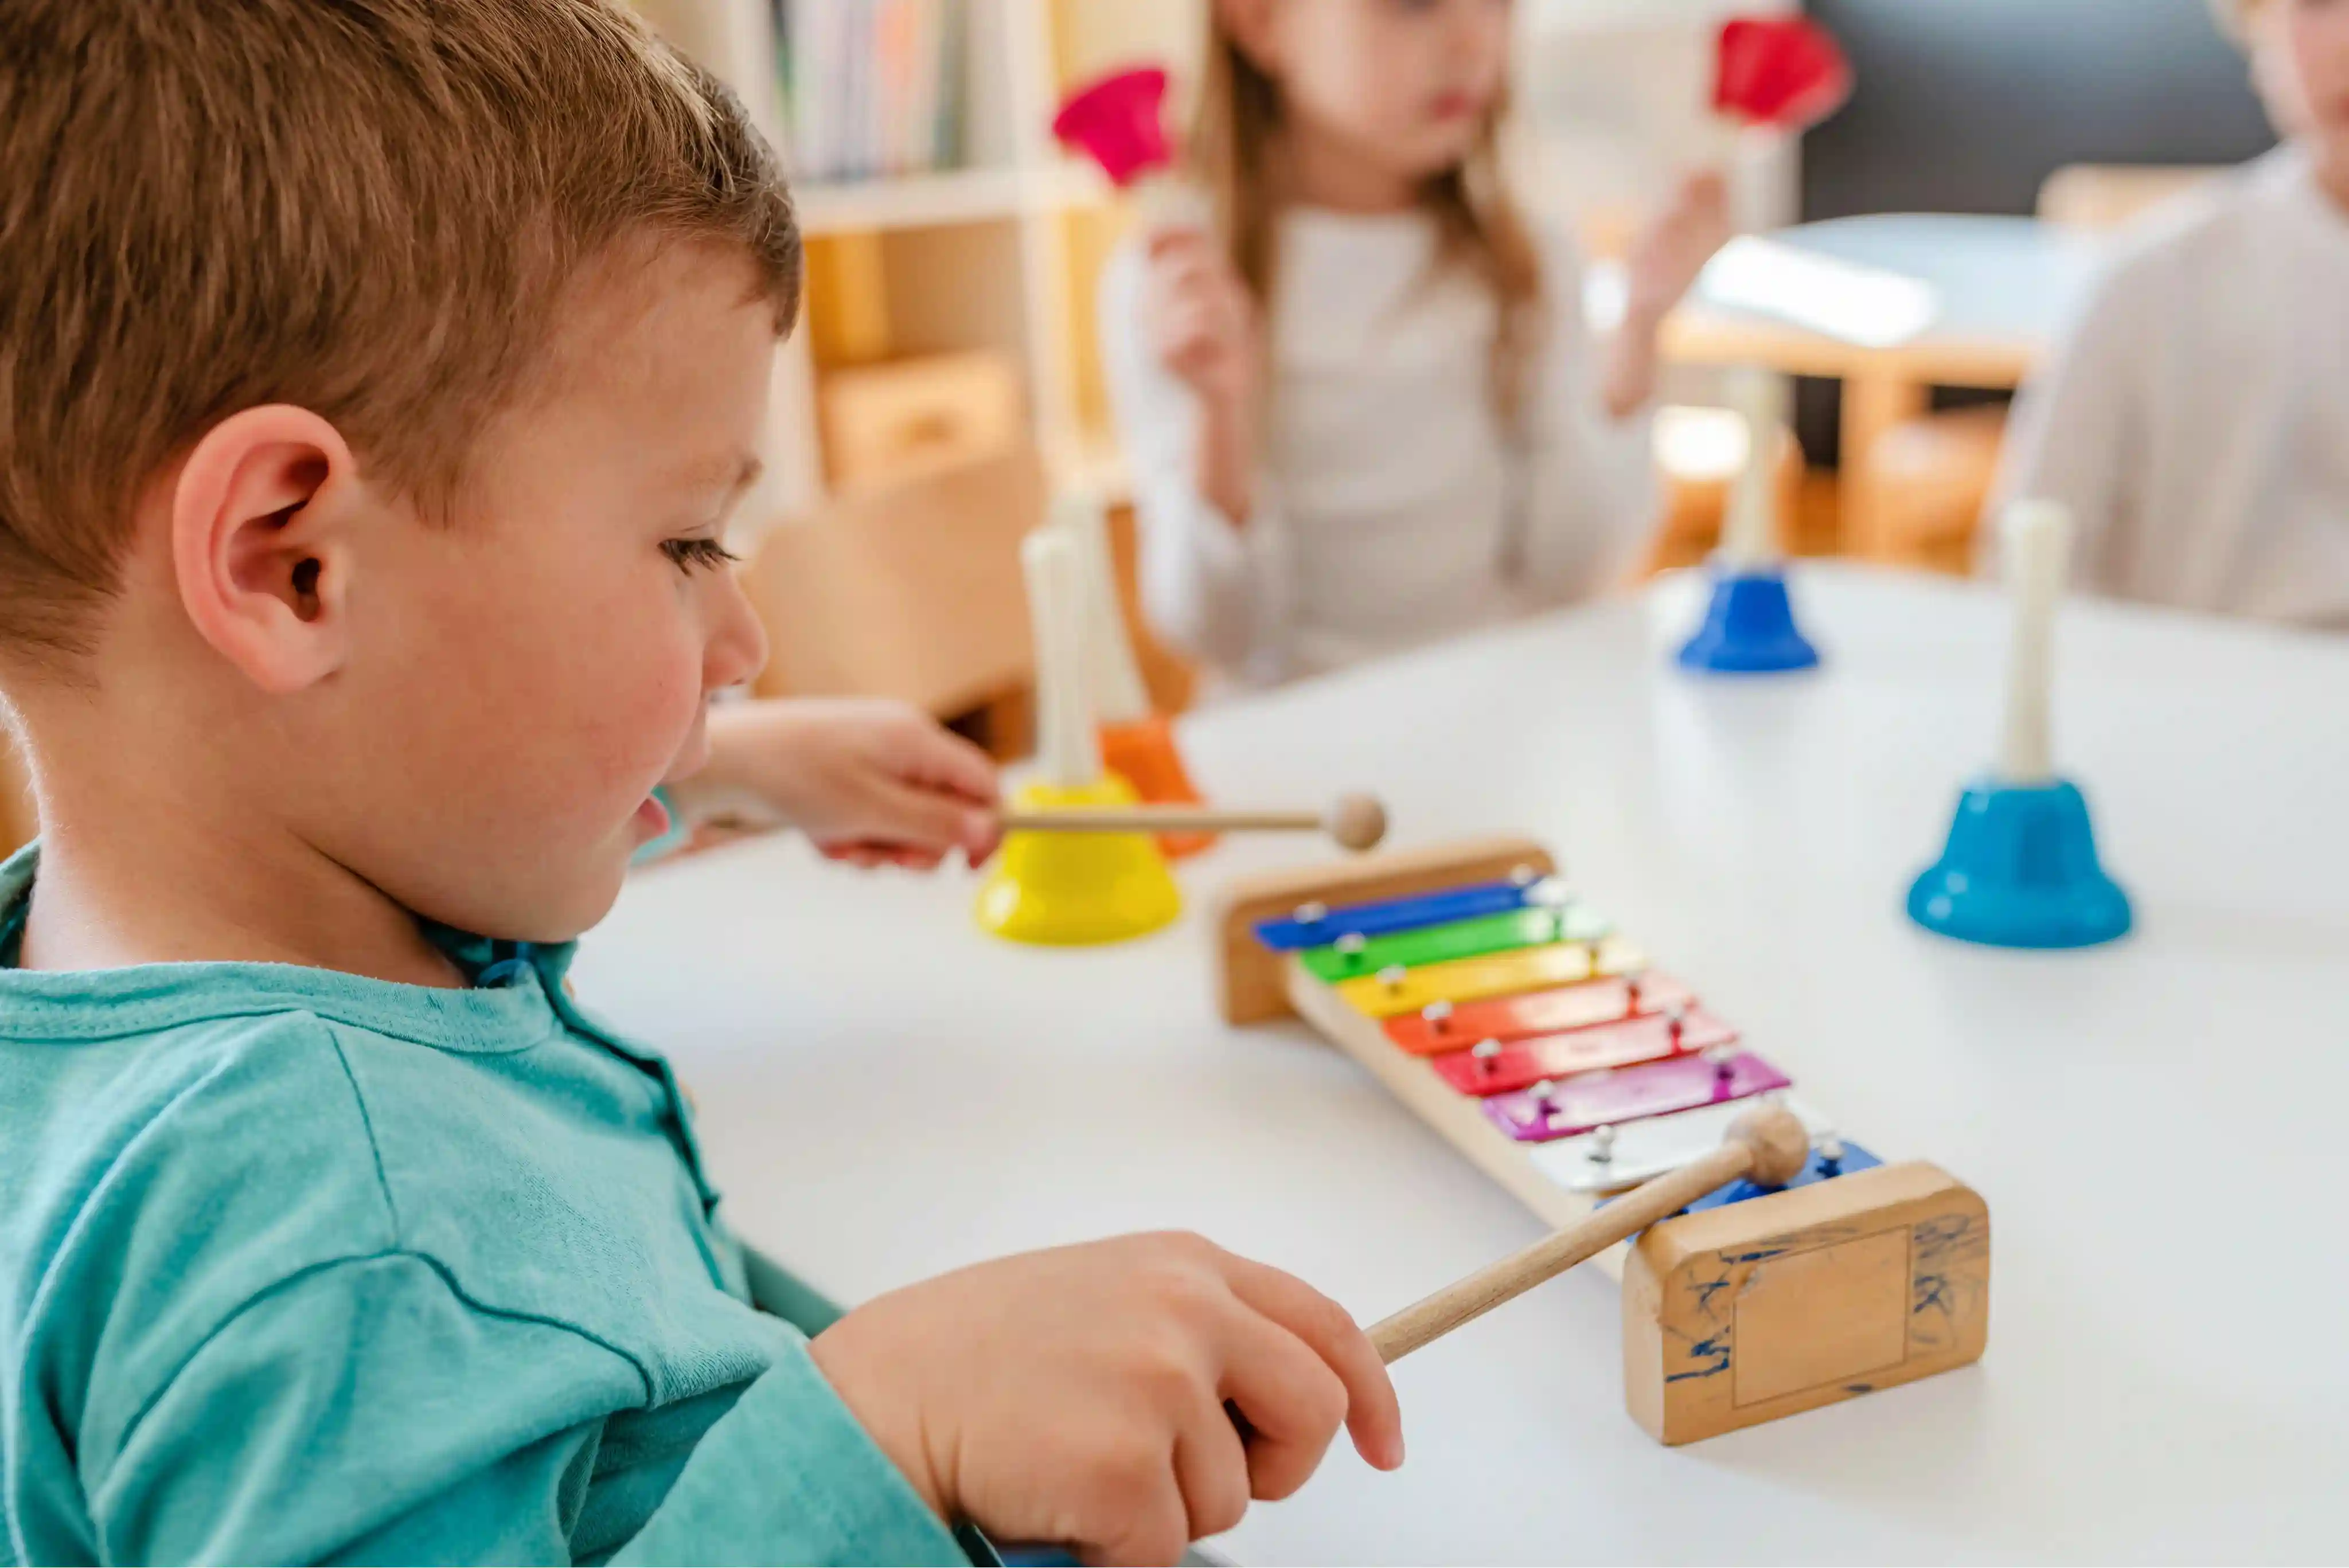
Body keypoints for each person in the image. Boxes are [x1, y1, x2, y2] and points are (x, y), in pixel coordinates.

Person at [0, 3, 1403, 1563]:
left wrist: (730, 768)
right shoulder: (331, 1239)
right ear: (294, 562)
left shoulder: (155, 963)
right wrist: (890, 1422)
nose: (741, 635)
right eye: (684, 543)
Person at [1101, 0, 1732, 692]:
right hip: (1292, 756)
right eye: (1412, 4)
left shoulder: (1530, 263)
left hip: (1491, 717)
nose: (1473, 40)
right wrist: (1219, 413)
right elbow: (1219, 632)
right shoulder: (1179, 288)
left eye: (1498, 3)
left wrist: (1639, 330)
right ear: (1258, 21)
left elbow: (1576, 572)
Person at [1987, 0, 2349, 631]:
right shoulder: (2155, 278)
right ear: (2258, 33)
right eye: (2316, 4)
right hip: (2204, 691)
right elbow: (2029, 556)